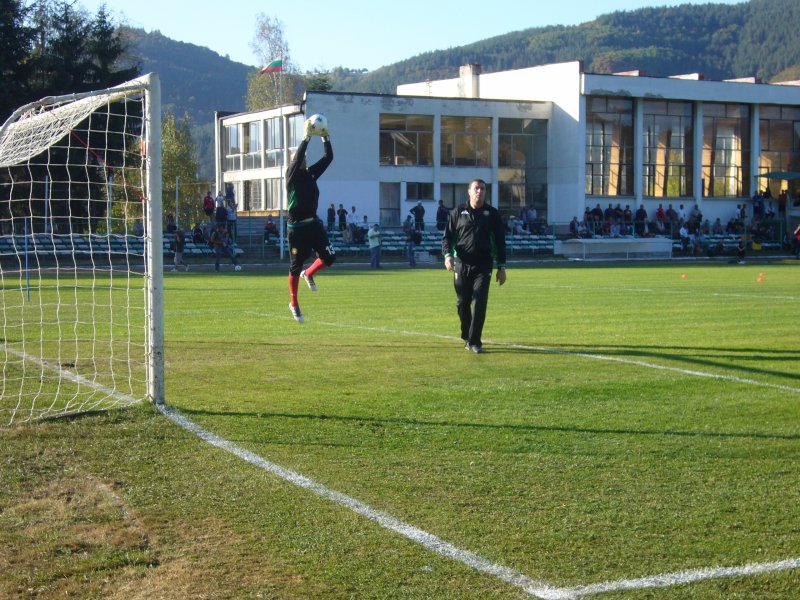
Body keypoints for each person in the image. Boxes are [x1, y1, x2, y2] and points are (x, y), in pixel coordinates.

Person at [441, 178, 506, 354]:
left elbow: (500, 241)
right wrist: (448, 256)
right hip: (462, 263)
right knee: (463, 303)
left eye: (483, 189)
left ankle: (475, 341)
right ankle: (467, 335)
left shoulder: (492, 214)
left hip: (484, 265)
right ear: (469, 191)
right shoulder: (458, 212)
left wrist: (501, 266)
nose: (480, 191)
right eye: (476, 188)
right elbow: (447, 237)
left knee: (480, 301)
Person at [285, 118, 335, 323]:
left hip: (313, 224)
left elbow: (328, 157)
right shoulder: (291, 174)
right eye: (300, 156)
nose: (304, 158)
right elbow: (296, 160)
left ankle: (310, 273)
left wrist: (325, 137)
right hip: (297, 229)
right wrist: (306, 137)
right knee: (294, 266)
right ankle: (294, 303)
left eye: (304, 156)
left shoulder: (310, 174)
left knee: (330, 258)